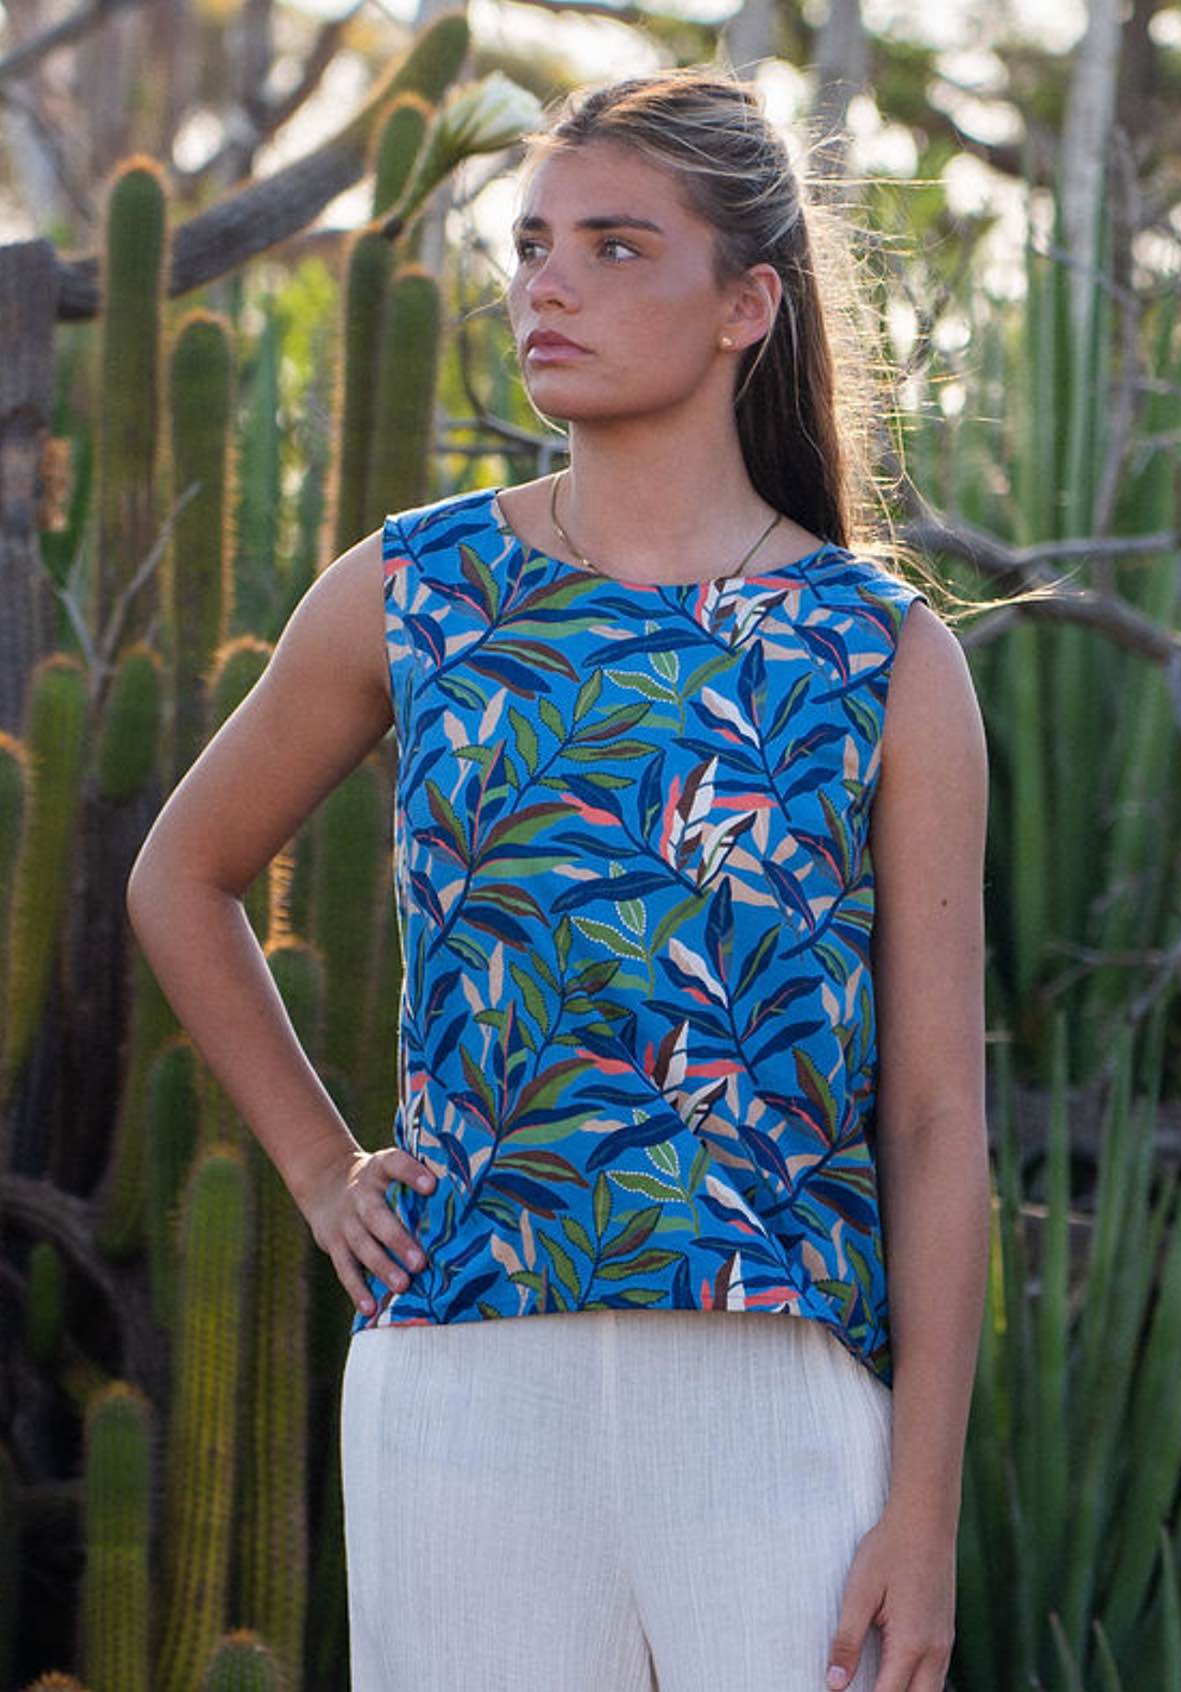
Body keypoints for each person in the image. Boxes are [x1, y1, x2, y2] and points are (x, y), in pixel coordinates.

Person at [127, 63, 991, 1692]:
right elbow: (185, 875)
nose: (544, 285)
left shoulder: (876, 654)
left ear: (748, 304)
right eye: (530, 244)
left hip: (775, 1396)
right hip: (462, 1386)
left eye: (612, 247)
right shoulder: (416, 591)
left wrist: (923, 1508)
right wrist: (320, 1174)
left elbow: (940, 1117)